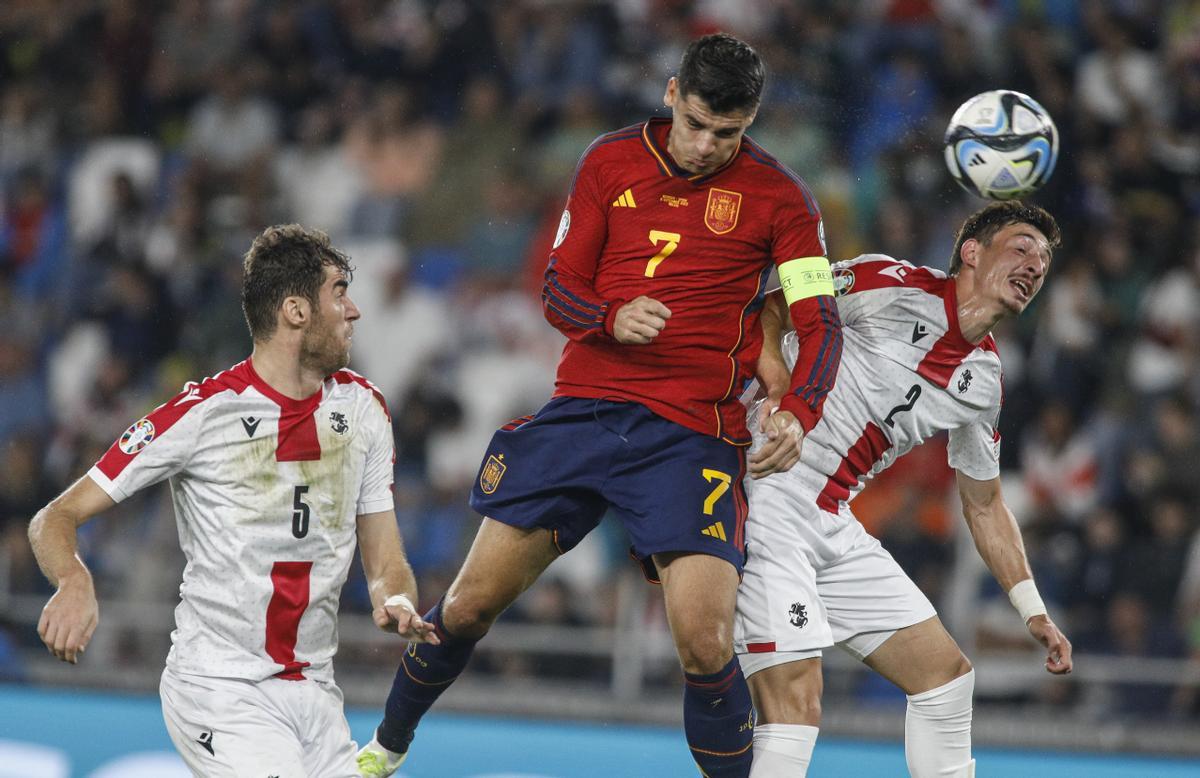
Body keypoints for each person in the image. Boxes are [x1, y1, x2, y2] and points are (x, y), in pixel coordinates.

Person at [356, 33, 842, 778]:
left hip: (691, 439)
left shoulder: (782, 197)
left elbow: (820, 321)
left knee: (705, 643)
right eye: (699, 124)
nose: (709, 145)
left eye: (729, 133)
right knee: (466, 607)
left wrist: (798, 412)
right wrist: (609, 319)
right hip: (585, 414)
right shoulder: (606, 162)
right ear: (672, 93)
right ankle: (385, 749)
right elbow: (557, 288)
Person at [28, 225, 438, 777]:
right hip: (219, 688)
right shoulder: (203, 413)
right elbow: (55, 516)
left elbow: (386, 562)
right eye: (338, 292)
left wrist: (398, 600)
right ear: (295, 311)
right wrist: (74, 581)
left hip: (315, 695)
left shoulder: (364, 410)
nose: (354, 310)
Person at [735, 201, 1074, 777]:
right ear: (972, 252)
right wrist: (780, 388)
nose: (1034, 266)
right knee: (795, 696)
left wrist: (1032, 610)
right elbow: (772, 308)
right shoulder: (886, 280)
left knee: (945, 679)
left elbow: (985, 503)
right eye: (1020, 248)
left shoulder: (984, 381)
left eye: (1043, 262)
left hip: (830, 518)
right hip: (764, 489)